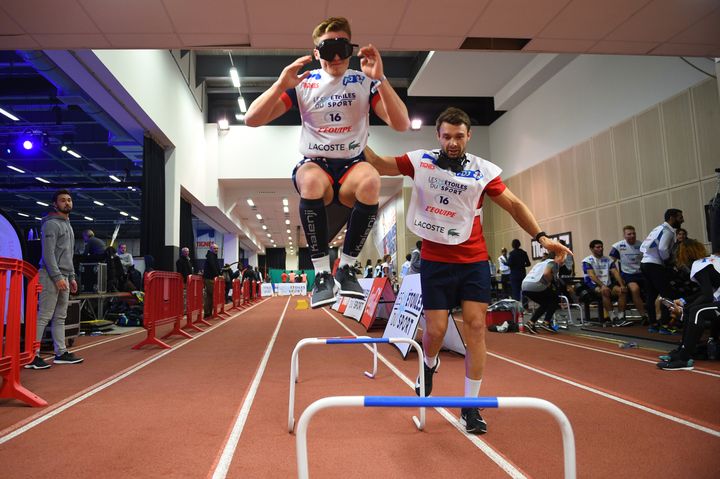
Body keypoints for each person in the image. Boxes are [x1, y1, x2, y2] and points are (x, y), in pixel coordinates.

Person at [364, 107, 571, 434]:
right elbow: (376, 162)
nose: (453, 143)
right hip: (435, 262)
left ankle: (470, 407)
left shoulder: (483, 171)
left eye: (459, 136)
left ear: (469, 136)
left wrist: (542, 238)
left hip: (473, 261)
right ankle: (429, 365)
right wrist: (354, 130)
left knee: (476, 328)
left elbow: (515, 204)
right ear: (438, 135)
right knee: (434, 330)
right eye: (447, 136)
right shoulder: (420, 161)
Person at [245, 16, 410, 308]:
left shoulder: (363, 82)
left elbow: (401, 123)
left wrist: (381, 79)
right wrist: (281, 84)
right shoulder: (304, 84)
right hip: (316, 166)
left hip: (352, 167)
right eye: (328, 49)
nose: (336, 58)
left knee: (372, 179)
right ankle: (322, 273)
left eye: (342, 49)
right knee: (309, 179)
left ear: (351, 49)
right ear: (317, 52)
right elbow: (252, 119)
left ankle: (346, 268)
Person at [25, 189, 83, 369]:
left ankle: (61, 352)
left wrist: (71, 277)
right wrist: (57, 277)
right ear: (55, 204)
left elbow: (69, 254)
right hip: (50, 275)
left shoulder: (68, 224)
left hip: (64, 275)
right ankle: (31, 356)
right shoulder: (50, 225)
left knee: (60, 317)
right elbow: (48, 254)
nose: (67, 203)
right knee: (44, 316)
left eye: (69, 200)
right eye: (63, 200)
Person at [657, 249, 720, 370]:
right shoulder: (711, 262)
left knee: (697, 312)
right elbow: (708, 292)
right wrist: (684, 301)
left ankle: (683, 358)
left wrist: (684, 309)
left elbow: (706, 296)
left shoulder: (699, 264)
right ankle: (682, 351)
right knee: (693, 311)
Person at [641, 209, 684, 333]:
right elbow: (663, 248)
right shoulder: (668, 231)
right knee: (667, 295)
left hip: (645, 263)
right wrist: (668, 260)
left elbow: (645, 246)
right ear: (672, 218)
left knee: (651, 295)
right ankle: (665, 326)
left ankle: (653, 324)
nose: (682, 220)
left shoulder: (657, 228)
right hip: (655, 265)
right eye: (680, 217)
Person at [581, 240, 629, 326]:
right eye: (598, 247)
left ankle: (621, 317)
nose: (601, 249)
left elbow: (615, 272)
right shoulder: (587, 261)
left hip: (608, 283)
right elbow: (592, 276)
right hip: (593, 285)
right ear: (592, 249)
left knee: (622, 291)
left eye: (601, 247)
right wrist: (602, 286)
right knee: (605, 291)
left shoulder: (608, 260)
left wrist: (622, 285)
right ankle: (612, 318)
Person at [609, 225, 648, 324]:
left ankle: (655, 315)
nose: (632, 235)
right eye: (629, 234)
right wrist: (616, 277)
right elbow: (611, 263)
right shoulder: (618, 246)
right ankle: (644, 316)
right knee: (635, 289)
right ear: (624, 235)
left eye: (633, 233)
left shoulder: (641, 245)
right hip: (628, 274)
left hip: (641, 273)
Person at [522, 252, 563, 334]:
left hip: (525, 286)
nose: (563, 260)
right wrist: (549, 282)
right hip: (535, 285)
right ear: (556, 257)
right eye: (562, 258)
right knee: (555, 299)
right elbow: (546, 273)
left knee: (545, 304)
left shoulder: (540, 263)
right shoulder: (553, 263)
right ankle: (546, 323)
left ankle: (531, 322)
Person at [507, 239, 530, 303]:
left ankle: (517, 308)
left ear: (513, 245)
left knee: (515, 292)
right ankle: (525, 306)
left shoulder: (512, 253)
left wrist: (505, 263)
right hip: (522, 273)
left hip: (514, 274)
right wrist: (522, 265)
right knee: (524, 291)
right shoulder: (524, 253)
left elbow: (509, 263)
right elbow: (528, 263)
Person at [203, 243, 221, 316]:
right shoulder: (211, 256)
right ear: (211, 249)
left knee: (209, 296)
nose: (216, 250)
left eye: (217, 248)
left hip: (210, 278)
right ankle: (209, 312)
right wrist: (218, 275)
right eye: (215, 248)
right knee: (212, 295)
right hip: (210, 278)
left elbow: (215, 266)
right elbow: (213, 266)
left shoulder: (213, 256)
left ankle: (208, 313)